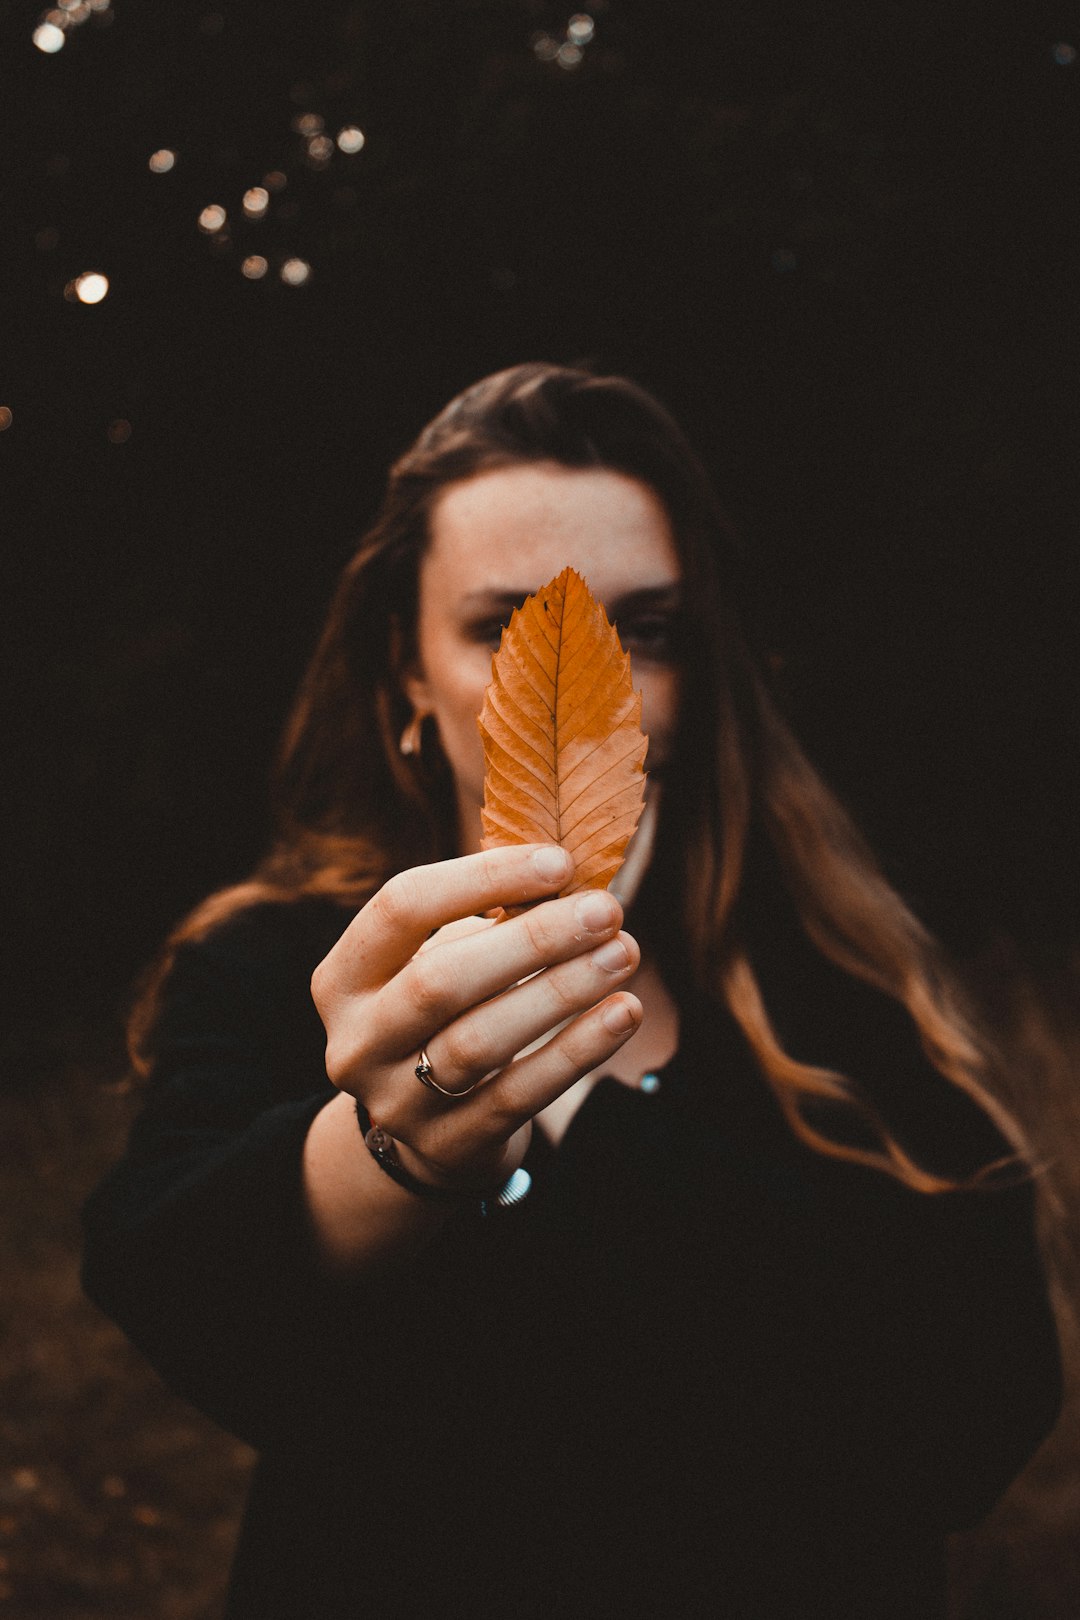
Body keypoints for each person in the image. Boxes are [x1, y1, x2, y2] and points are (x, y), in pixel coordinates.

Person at [82, 363, 1061, 1618]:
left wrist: (590, 1090)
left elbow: (976, 1415)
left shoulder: (834, 974)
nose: (582, 696)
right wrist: (398, 1148)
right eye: (505, 628)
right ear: (405, 677)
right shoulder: (282, 965)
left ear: (700, 675)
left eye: (642, 631)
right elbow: (188, 1295)